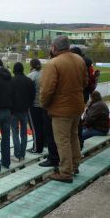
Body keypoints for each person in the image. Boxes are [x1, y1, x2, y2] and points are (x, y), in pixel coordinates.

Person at [40, 35, 88, 183]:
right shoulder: (79, 60)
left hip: (61, 109)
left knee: (63, 141)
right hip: (77, 106)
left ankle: (66, 172)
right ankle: (74, 165)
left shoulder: (53, 63)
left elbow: (47, 90)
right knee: (73, 136)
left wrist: (45, 104)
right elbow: (85, 82)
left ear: (54, 47)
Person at [10, 62, 35, 161]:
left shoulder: (11, 81)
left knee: (15, 133)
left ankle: (17, 154)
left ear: (14, 70)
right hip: (25, 110)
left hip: (14, 111)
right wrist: (28, 105)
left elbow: (9, 96)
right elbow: (32, 95)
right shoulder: (28, 81)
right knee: (24, 133)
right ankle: (22, 154)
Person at [70, 46, 94, 149]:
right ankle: (79, 143)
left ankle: (78, 143)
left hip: (79, 95)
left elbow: (83, 81)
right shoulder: (86, 61)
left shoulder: (80, 62)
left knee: (76, 121)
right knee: (78, 119)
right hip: (84, 94)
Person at [27, 59, 45, 154]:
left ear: (31, 65)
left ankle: (37, 148)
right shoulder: (44, 74)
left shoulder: (30, 76)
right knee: (42, 126)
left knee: (35, 128)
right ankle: (42, 145)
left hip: (34, 105)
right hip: (44, 104)